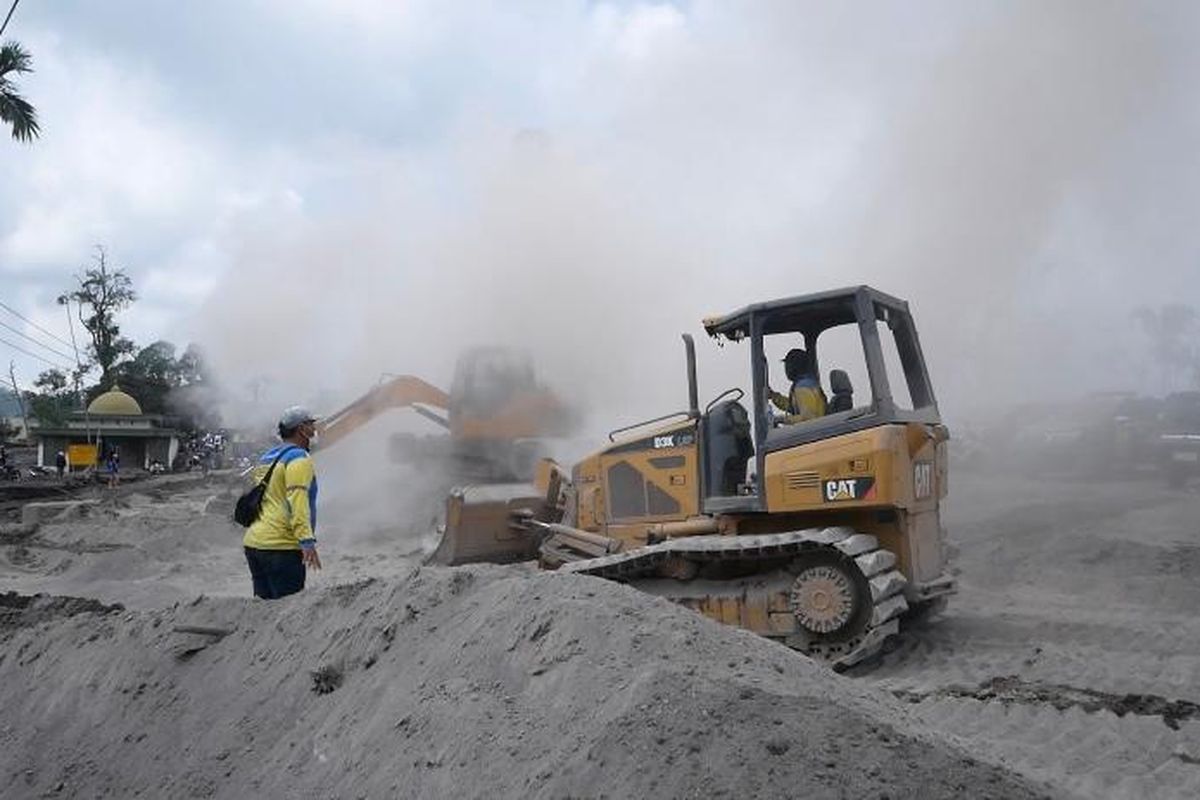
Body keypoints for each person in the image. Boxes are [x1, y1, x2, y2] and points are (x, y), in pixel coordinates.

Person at [242, 406, 323, 600]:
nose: (314, 429)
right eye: (311, 424)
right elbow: (298, 503)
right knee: (287, 608)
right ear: (301, 429)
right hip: (280, 547)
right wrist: (306, 541)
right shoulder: (299, 459)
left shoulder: (267, 457)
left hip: (254, 544)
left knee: (264, 609)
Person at [768, 348, 827, 424]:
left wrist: (781, 419)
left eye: (788, 364)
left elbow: (808, 419)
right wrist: (774, 396)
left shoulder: (803, 387)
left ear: (795, 365)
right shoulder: (807, 383)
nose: (786, 369)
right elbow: (792, 406)